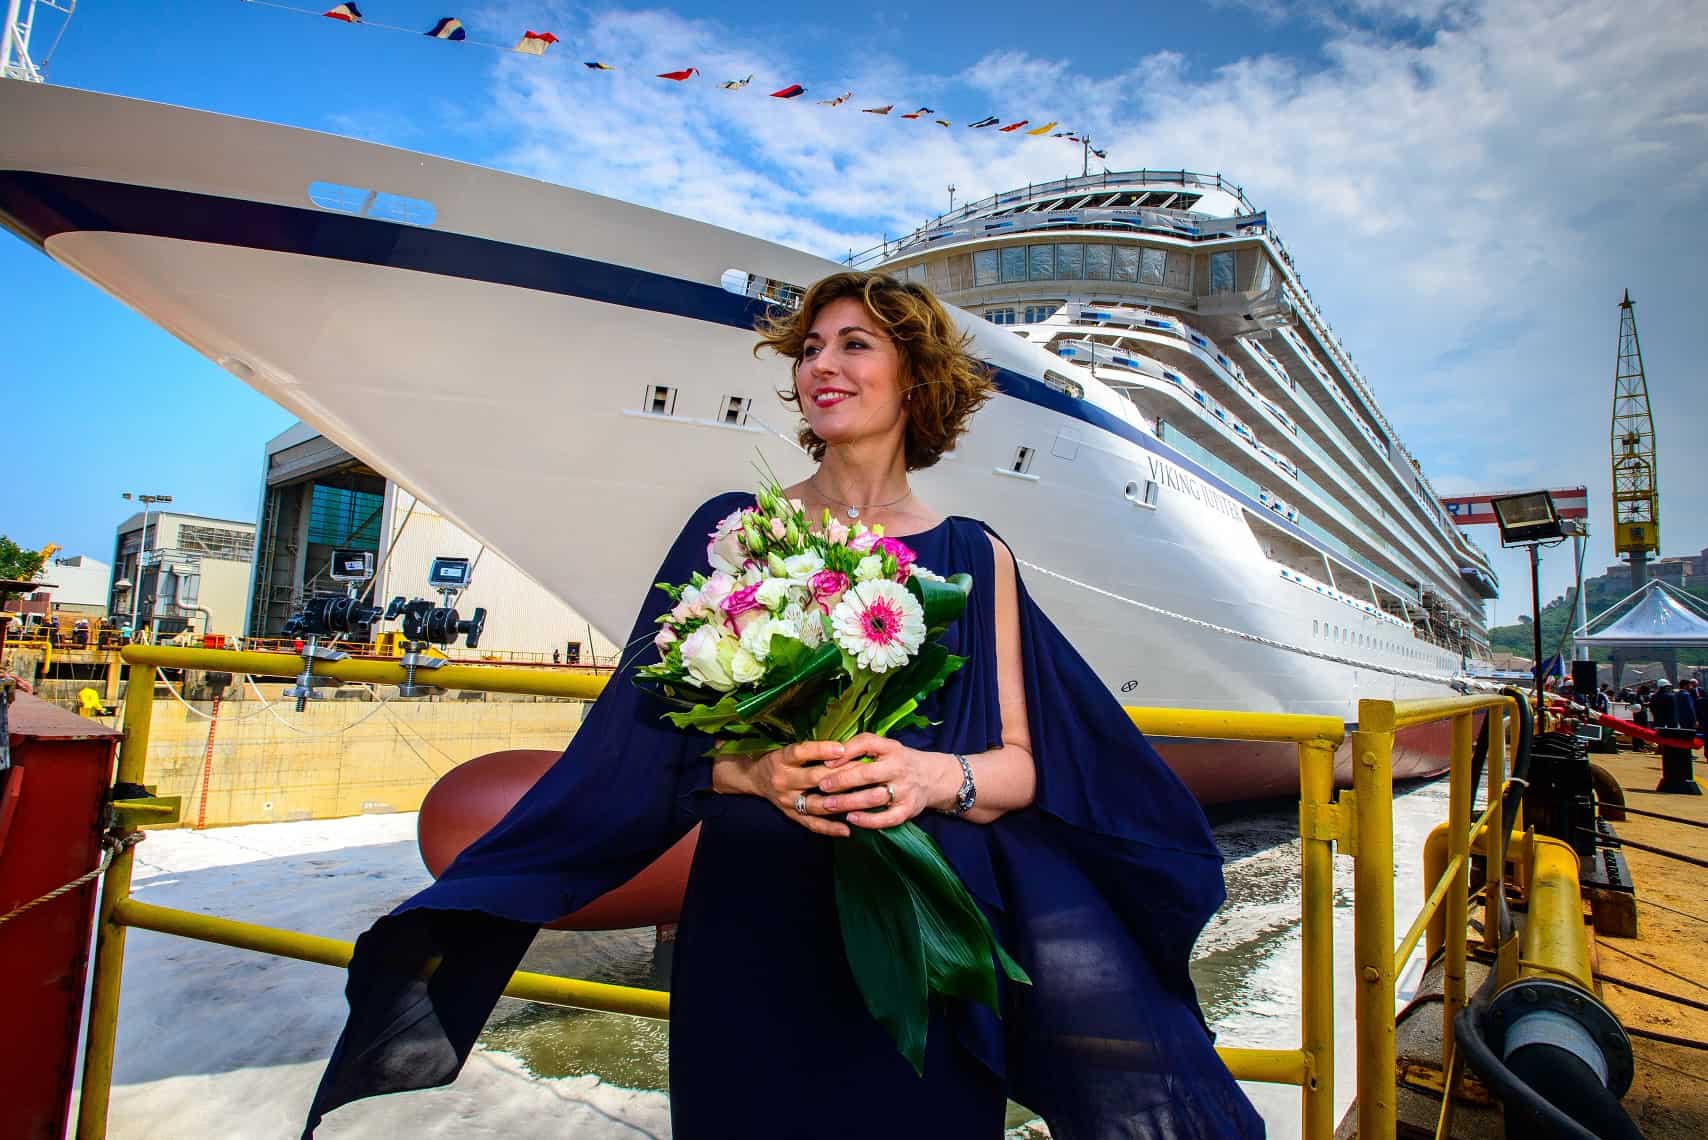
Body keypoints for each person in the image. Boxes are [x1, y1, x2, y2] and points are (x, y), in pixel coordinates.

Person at [305, 272, 1262, 1138]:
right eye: (811, 349)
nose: (822, 365)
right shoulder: (733, 531)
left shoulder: (978, 556)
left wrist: (932, 773)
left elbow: (1018, 766)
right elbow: (647, 742)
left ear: (916, 380)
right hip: (756, 916)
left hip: (919, 927)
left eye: (855, 345)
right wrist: (755, 770)